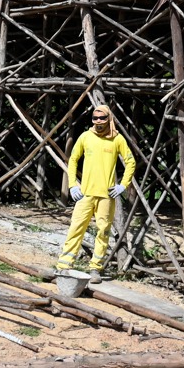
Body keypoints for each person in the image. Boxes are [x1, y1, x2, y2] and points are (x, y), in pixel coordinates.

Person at [57, 104, 136, 272]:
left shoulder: (117, 139)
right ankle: (64, 265)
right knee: (76, 227)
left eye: (102, 118)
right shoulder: (85, 137)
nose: (98, 121)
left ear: (109, 119)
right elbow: (73, 160)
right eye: (95, 118)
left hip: (106, 195)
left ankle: (95, 268)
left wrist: (123, 185)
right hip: (85, 194)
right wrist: (72, 185)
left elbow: (131, 162)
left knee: (103, 231)